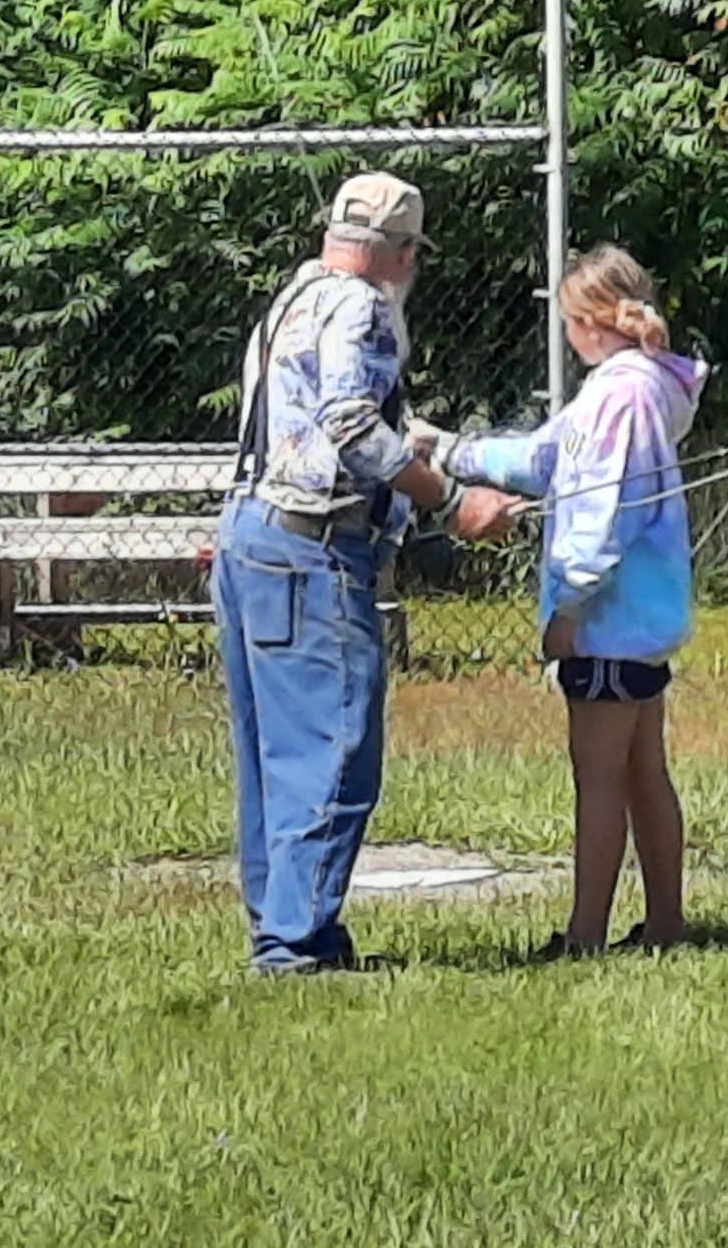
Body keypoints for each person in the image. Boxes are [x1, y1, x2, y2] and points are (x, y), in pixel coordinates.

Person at [213, 171, 517, 974]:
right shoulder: (366, 307)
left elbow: (329, 415)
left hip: (250, 534)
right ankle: (295, 944)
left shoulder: (297, 296)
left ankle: (287, 926)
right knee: (336, 744)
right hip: (314, 549)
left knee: (272, 754)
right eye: (414, 251)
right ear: (403, 251)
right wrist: (452, 502)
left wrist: (432, 445)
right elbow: (351, 428)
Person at [413, 244, 708, 954]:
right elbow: (548, 458)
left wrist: (568, 609)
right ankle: (665, 923)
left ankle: (585, 936)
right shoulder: (640, 387)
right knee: (643, 772)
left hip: (607, 619)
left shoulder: (619, 395)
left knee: (599, 779)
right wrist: (450, 449)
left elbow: (602, 508)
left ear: (589, 320)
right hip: (639, 618)